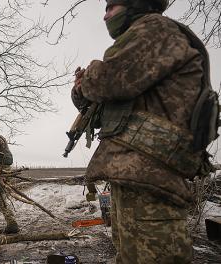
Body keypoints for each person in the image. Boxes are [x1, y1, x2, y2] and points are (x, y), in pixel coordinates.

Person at [71, 0, 216, 263]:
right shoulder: (150, 40)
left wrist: (90, 75)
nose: (105, 17)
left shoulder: (154, 28)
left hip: (150, 174)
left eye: (111, 8)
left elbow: (109, 80)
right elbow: (109, 108)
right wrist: (80, 91)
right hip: (138, 175)